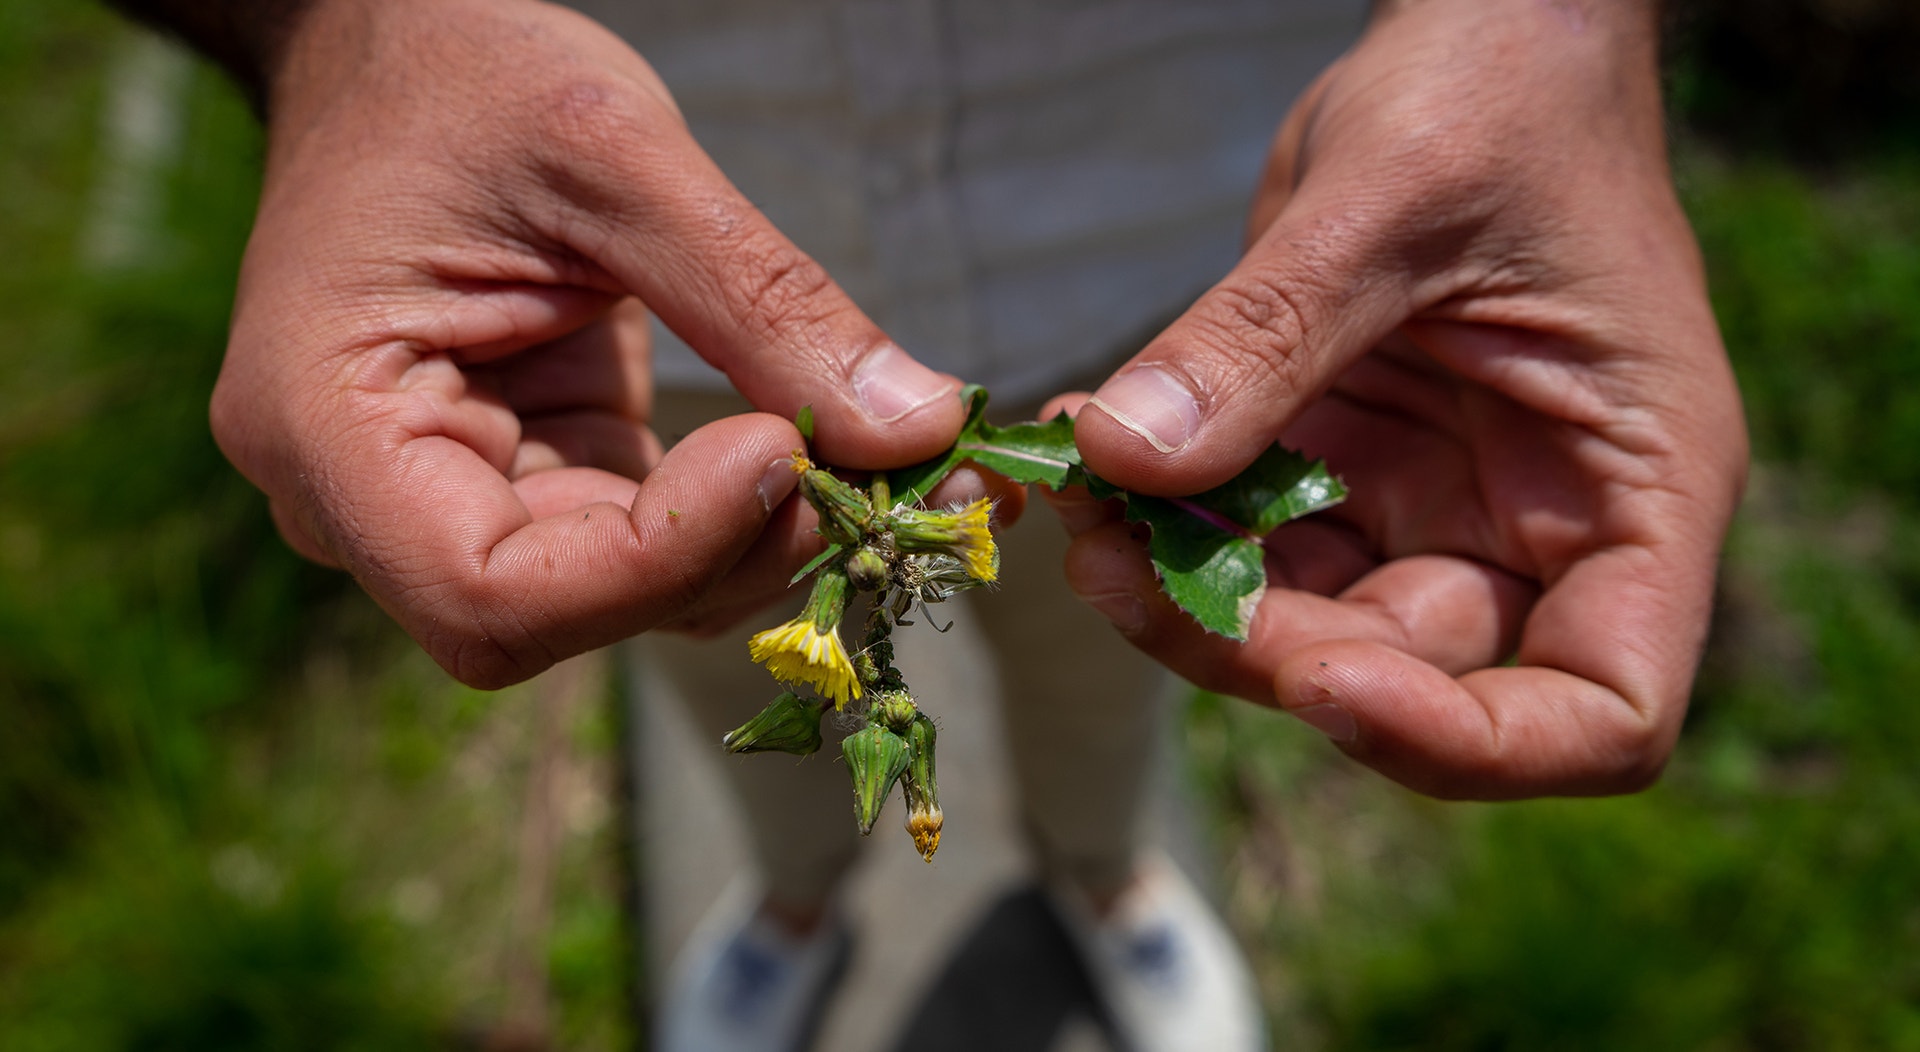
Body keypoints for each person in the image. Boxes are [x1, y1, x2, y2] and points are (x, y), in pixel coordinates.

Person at [106, 0, 1749, 1049]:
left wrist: (1563, 28)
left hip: (1201, 263)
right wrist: (331, 32)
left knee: (1130, 649)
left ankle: (1108, 882)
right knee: (718, 649)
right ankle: (797, 902)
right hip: (630, 311)